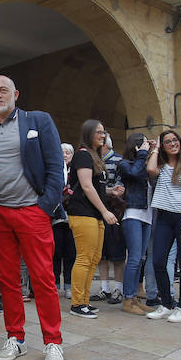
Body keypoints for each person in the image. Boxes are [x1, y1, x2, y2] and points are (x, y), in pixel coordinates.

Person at [0, 75, 66, 360]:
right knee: (7, 280)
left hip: (33, 211)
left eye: (3, 90)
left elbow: (56, 167)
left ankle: (53, 342)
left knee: (42, 278)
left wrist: (45, 208)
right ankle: (15, 338)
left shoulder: (38, 121)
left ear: (15, 93)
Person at [145, 130, 181, 322]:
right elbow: (150, 170)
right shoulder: (161, 165)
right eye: (167, 142)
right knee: (158, 260)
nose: (172, 143)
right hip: (164, 217)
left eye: (175, 140)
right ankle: (166, 303)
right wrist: (156, 148)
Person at [68, 120, 119, 318]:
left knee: (94, 258)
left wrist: (110, 191)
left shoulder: (94, 156)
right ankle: (76, 303)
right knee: (84, 258)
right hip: (82, 213)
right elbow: (86, 187)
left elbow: (92, 186)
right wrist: (106, 211)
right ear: (89, 133)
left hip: (93, 214)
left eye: (103, 131)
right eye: (98, 132)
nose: (103, 134)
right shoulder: (82, 155)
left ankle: (84, 301)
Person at [118, 133, 155, 315]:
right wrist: (142, 154)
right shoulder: (125, 163)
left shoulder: (145, 163)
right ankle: (127, 299)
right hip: (132, 213)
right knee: (133, 258)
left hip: (147, 214)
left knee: (141, 257)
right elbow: (132, 174)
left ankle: (133, 298)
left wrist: (154, 151)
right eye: (145, 144)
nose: (147, 148)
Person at [94, 134, 125, 304]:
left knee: (118, 254)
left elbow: (119, 189)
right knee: (102, 253)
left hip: (114, 212)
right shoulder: (94, 161)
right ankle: (104, 288)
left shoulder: (119, 160)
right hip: (98, 211)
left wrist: (105, 191)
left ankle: (118, 289)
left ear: (104, 144)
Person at [53, 143, 76, 298]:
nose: (65, 154)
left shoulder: (75, 171)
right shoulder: (55, 170)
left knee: (71, 253)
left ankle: (68, 285)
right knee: (55, 252)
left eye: (68, 152)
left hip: (72, 215)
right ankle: (55, 284)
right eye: (62, 152)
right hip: (56, 217)